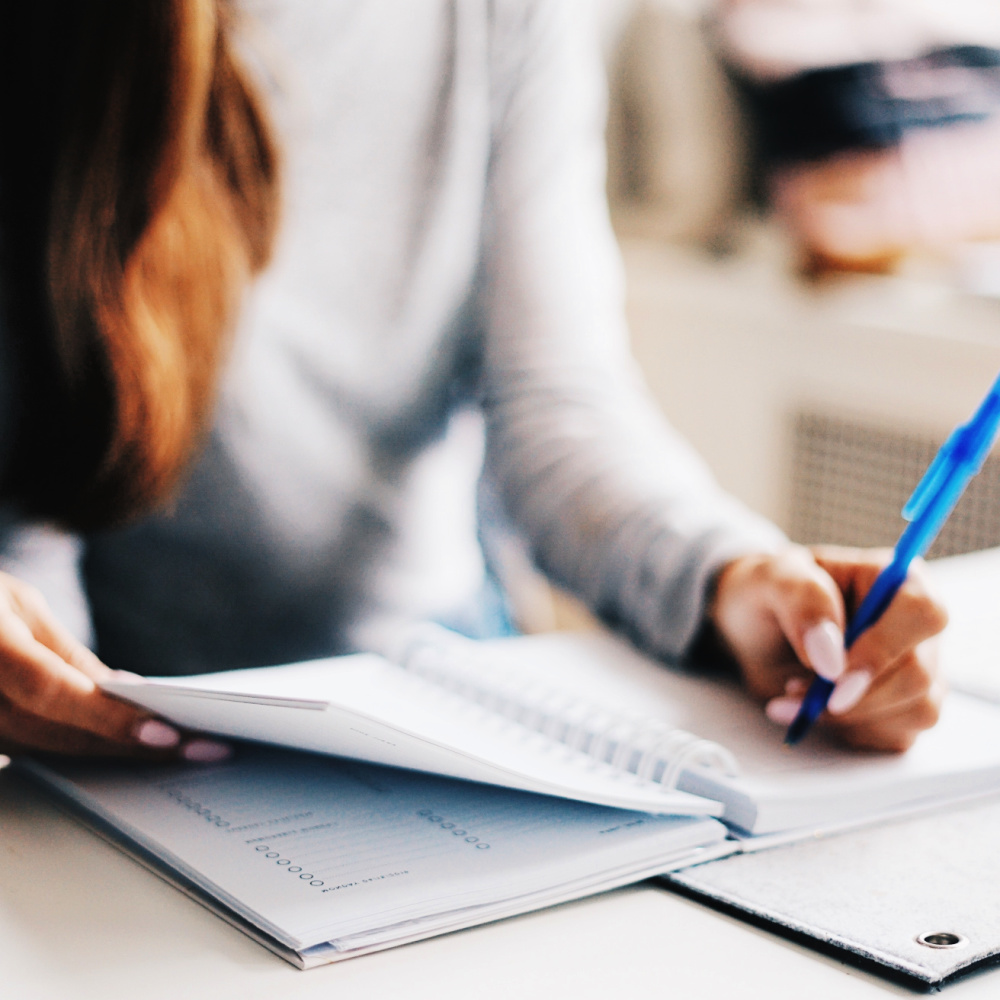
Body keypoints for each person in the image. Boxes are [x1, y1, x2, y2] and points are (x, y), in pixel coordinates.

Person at [0, 0, 946, 764]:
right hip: (105, 738)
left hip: (434, 706)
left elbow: (557, 405)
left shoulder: (499, 16)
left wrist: (734, 577)